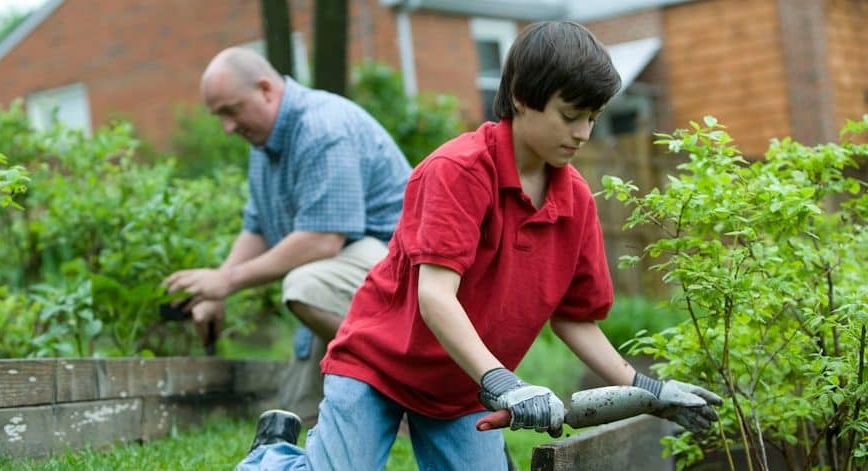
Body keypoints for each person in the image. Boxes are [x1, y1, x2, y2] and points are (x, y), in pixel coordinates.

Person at [237, 21, 723, 470]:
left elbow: (575, 317)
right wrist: (505, 383)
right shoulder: (459, 171)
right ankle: (272, 457)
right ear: (519, 97)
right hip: (380, 367)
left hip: (463, 387)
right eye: (570, 115)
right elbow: (435, 296)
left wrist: (650, 390)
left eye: (593, 117)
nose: (583, 133)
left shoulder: (575, 200)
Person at [163, 47, 412, 425]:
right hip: (347, 279)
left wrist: (228, 281)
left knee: (305, 285)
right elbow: (257, 226)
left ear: (265, 89)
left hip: (404, 276)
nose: (227, 127)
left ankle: (411, 383)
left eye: (231, 111)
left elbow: (322, 239)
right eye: (219, 117)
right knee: (296, 415)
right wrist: (214, 291)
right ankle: (374, 397)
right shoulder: (264, 144)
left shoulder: (321, 127)